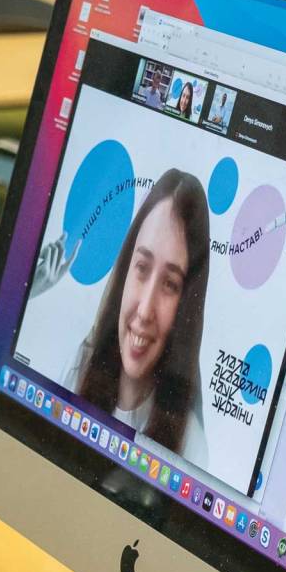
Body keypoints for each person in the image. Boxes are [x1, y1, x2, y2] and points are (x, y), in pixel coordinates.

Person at [66, 169, 211, 462]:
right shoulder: (79, 367)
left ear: (185, 308)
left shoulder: (191, 446)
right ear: (124, 273)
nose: (145, 310)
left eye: (170, 284)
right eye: (142, 268)